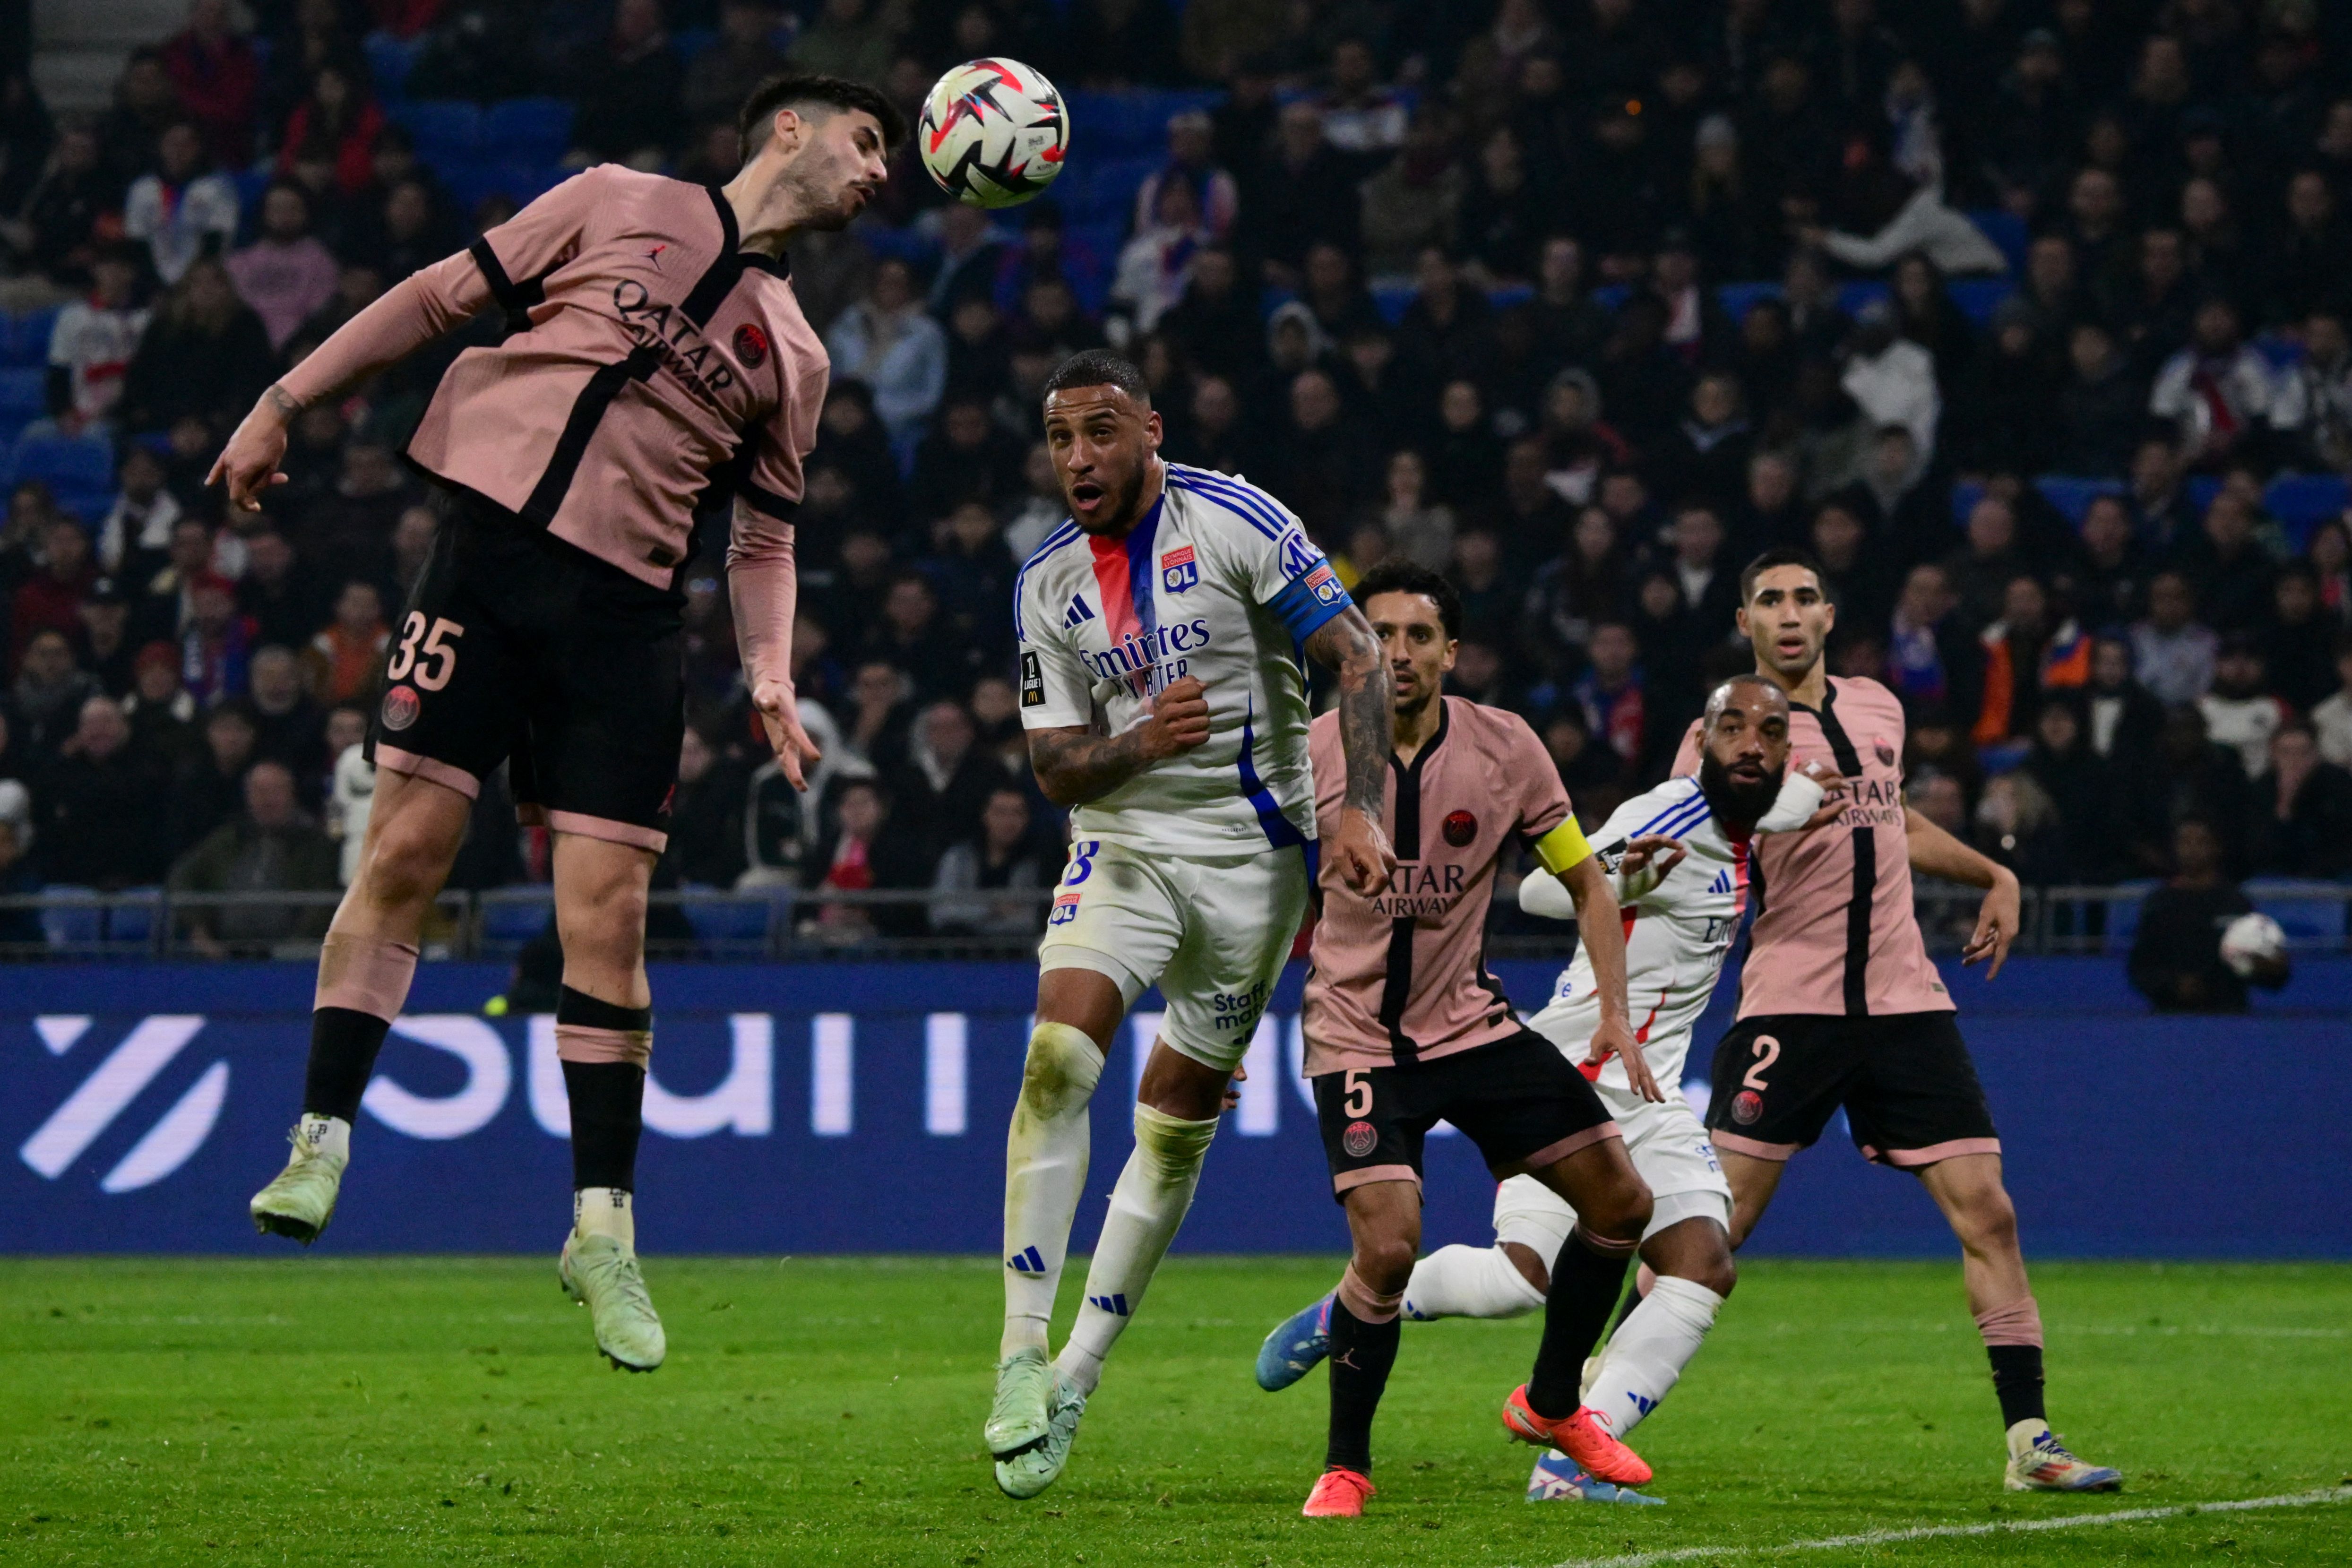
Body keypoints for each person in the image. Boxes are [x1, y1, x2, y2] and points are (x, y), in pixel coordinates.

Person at [208, 72, 905, 1373]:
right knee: (406, 852)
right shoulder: (613, 200)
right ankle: (320, 1138)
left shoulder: (797, 354)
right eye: (867, 143)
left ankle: (602, 1230)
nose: (880, 173)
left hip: (624, 624)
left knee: (610, 919)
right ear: (789, 129)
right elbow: (435, 300)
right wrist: (284, 401)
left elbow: (763, 538)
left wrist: (768, 668)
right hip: (485, 565)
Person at [1260, 672, 1837, 1505]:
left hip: (1650, 1086)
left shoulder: (1755, 810)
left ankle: (1562, 1465)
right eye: (1733, 729)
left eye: (1771, 734)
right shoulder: (1669, 815)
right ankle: (1355, 1306)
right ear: (1700, 740)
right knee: (1524, 1280)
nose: (1752, 745)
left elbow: (1780, 802)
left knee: (1695, 1264)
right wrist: (1623, 873)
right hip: (1586, 1066)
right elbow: (1540, 887)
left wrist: (1812, 789)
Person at [987, 349, 1394, 1500]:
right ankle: (1019, 1353)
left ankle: (1077, 1375)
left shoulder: (1236, 521)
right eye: (1060, 438)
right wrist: (1141, 744)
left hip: (1254, 867)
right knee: (1059, 1059)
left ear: (1150, 431)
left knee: (1171, 1129)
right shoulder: (1045, 583)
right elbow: (1057, 769)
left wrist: (1358, 808)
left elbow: (1356, 654)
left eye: (1100, 432)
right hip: (1125, 844)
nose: (1079, 457)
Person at [1679, 547, 2122, 1493]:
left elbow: (1896, 821)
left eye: (1804, 597)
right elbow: (1690, 840)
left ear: (1827, 616)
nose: (1789, 613)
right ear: (1745, 623)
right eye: (1769, 600)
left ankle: (2030, 1442)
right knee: (1713, 1231)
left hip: (1906, 1003)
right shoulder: (1725, 730)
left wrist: (1994, 872)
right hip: (1790, 1005)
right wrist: (1766, 816)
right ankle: (1588, 1408)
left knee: (1988, 1212)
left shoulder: (1879, 707)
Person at [1249, 558, 1675, 1516]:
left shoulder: (1505, 748)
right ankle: (1346, 1465)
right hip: (1356, 1038)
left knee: (1621, 1202)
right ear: (1350, 649)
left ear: (1451, 651)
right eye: (1377, 635)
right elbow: (1257, 900)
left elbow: (1586, 881)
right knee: (1388, 1250)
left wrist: (1612, 1010)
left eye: (1417, 636)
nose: (1395, 653)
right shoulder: (1310, 752)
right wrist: (1226, 1034)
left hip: (1471, 1029)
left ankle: (1553, 1403)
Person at [2129, 818, 2287, 1012]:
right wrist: (2173, 986)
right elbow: (2141, 968)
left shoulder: (2235, 902)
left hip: (2229, 1014)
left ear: (2216, 848)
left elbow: (2268, 970)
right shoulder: (2159, 903)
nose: (2192, 849)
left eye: (2201, 841)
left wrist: (2269, 968)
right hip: (2172, 1017)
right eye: (2185, 841)